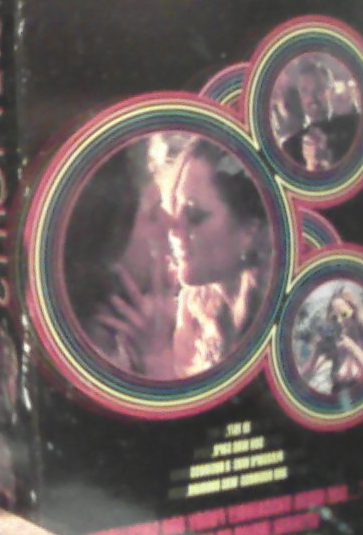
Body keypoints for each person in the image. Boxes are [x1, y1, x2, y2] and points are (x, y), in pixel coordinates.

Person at [107, 138, 270, 378]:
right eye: (171, 208)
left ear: (249, 231)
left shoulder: (280, 313)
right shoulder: (192, 306)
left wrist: (156, 359)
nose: (174, 228)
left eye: (194, 216)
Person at [63, 139, 176, 378]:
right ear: (108, 243)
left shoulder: (127, 344)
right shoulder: (88, 366)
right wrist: (158, 362)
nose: (171, 223)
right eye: (153, 214)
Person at [298, 286, 363, 397]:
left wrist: (353, 348)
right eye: (334, 317)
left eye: (344, 314)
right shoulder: (335, 345)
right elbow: (304, 377)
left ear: (355, 313)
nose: (340, 321)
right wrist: (316, 353)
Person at [280, 56, 360, 169]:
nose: (312, 97)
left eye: (319, 89)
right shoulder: (290, 148)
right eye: (305, 91)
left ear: (331, 91)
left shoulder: (354, 130)